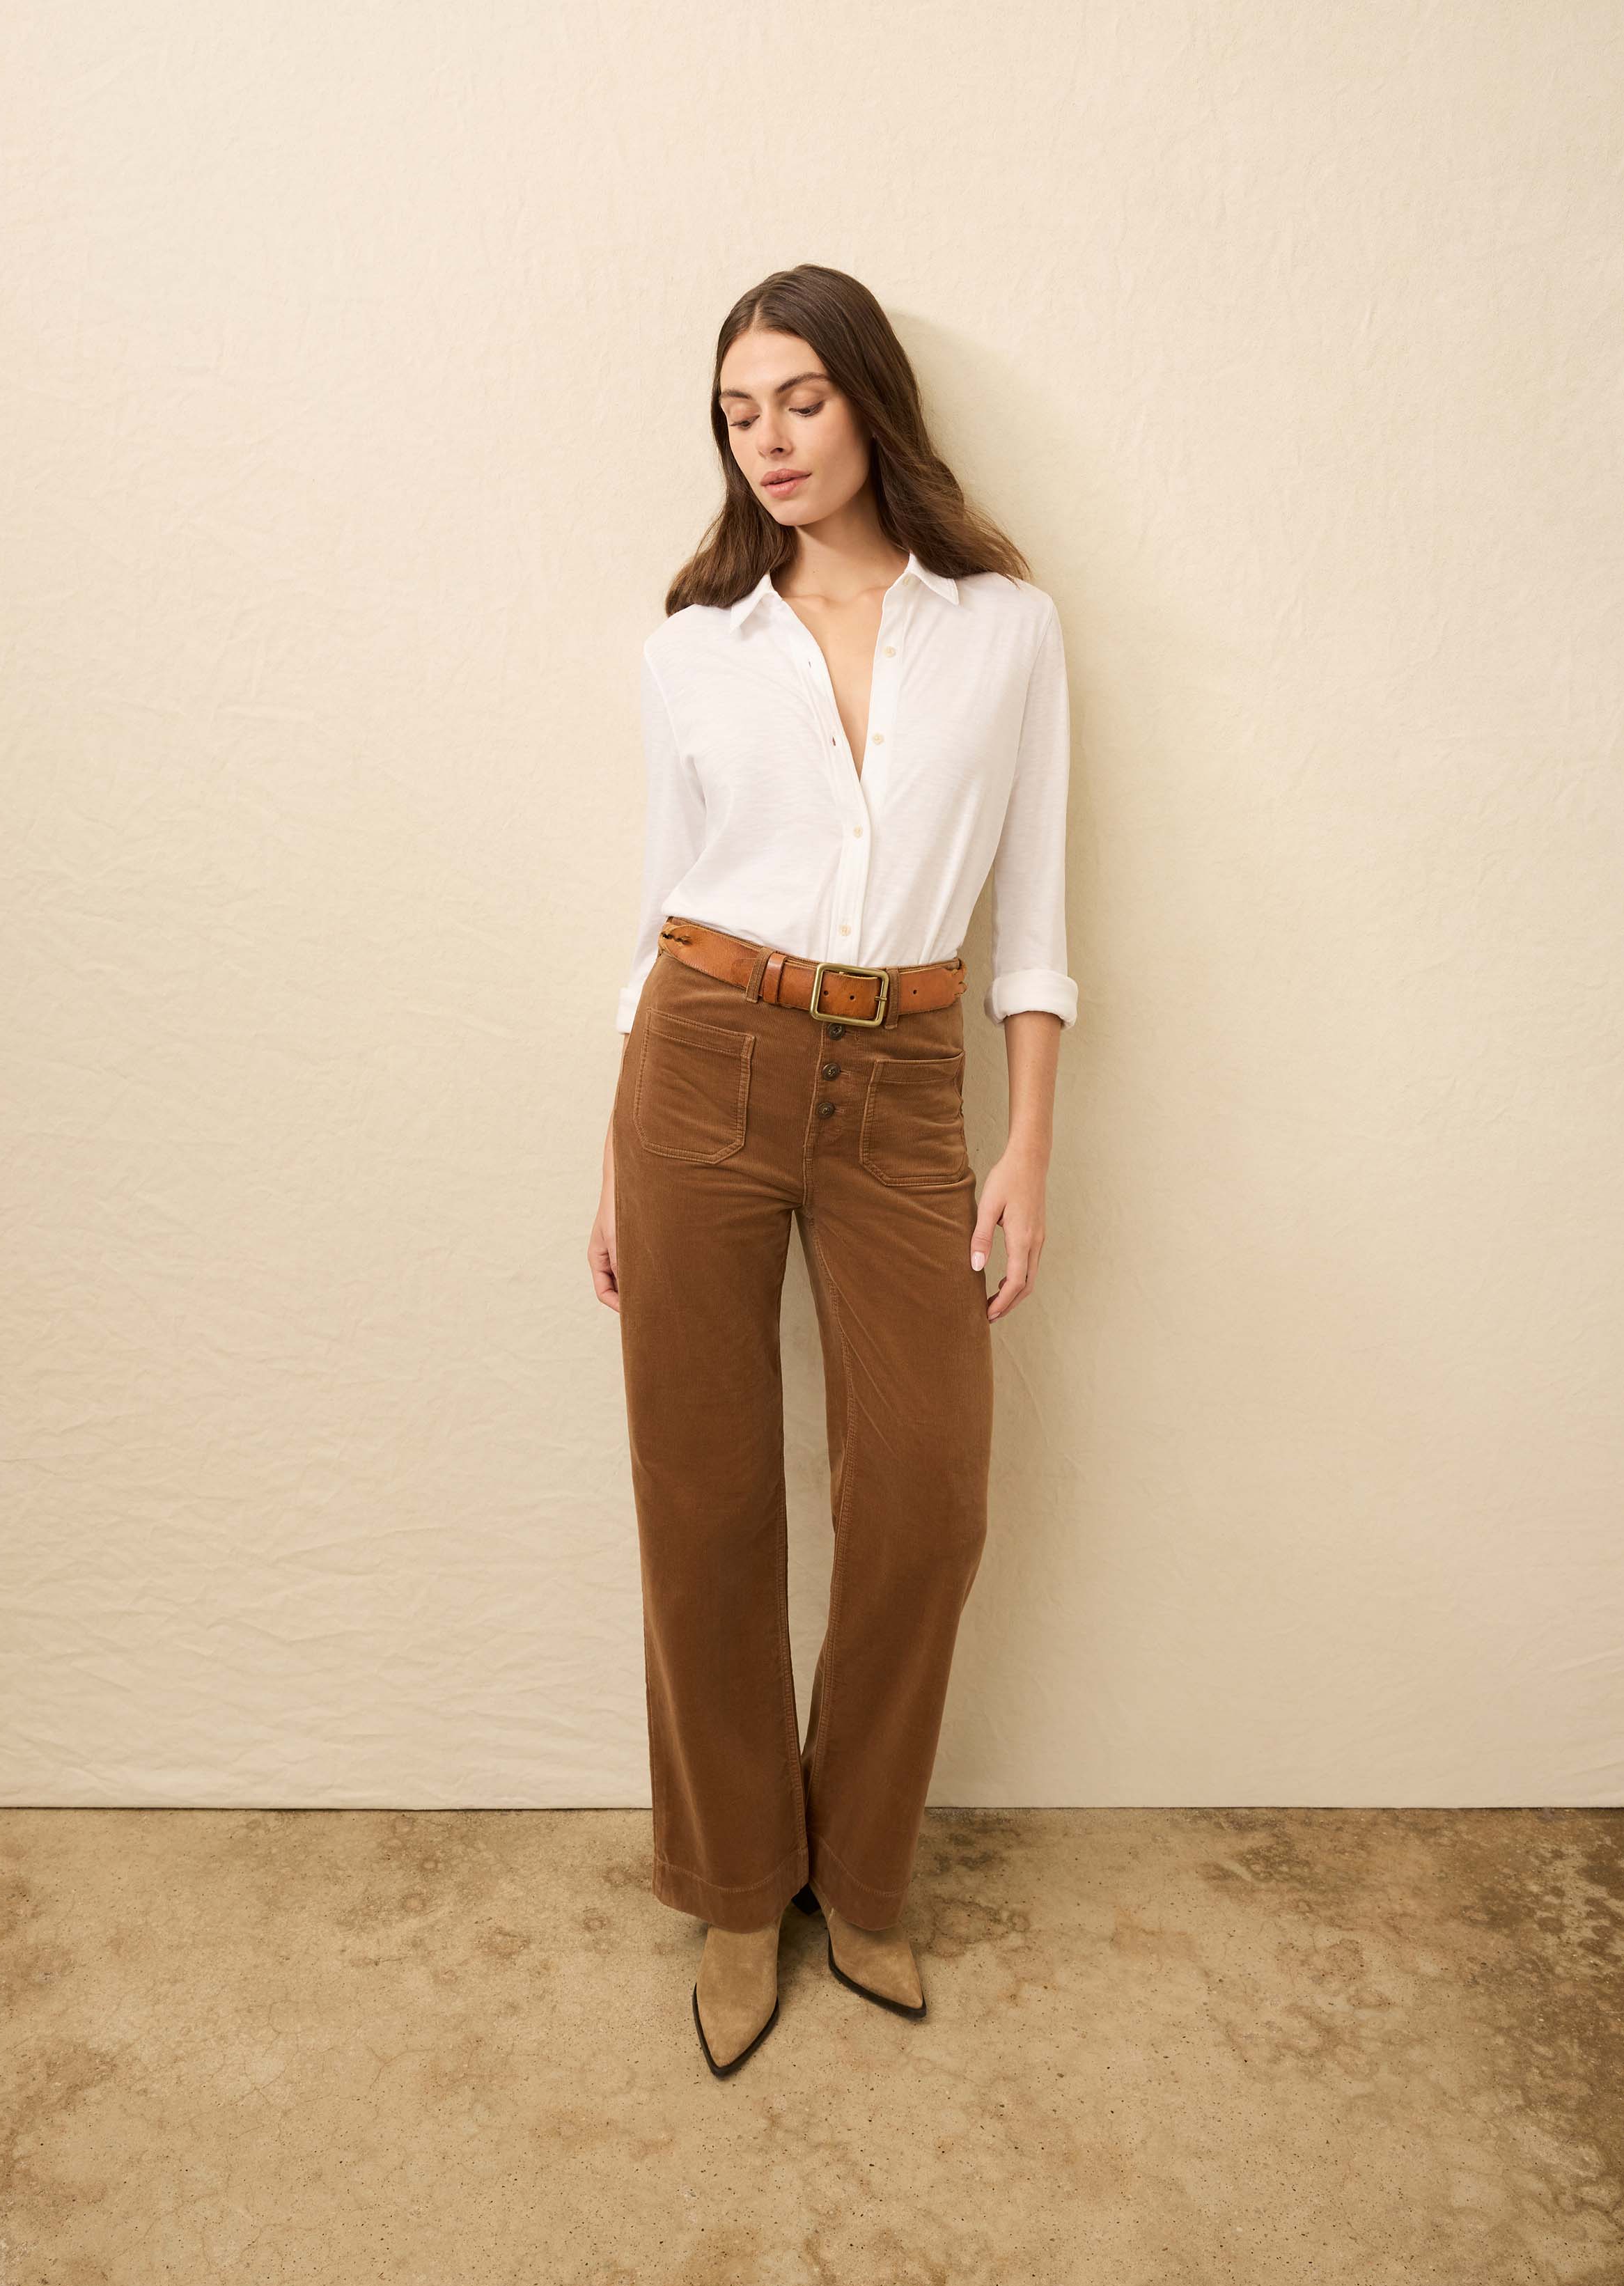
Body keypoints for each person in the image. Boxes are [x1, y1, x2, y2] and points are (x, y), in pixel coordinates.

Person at [586, 263, 1079, 2076]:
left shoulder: (1005, 629)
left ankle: (858, 1870)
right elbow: (656, 910)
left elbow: (1029, 914)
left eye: (796, 397)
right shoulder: (691, 647)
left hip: (903, 1090)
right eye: (735, 413)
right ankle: (736, 1885)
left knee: (927, 1495)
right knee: (703, 1504)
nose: (767, 440)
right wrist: (609, 1154)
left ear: (867, 401)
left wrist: (1022, 1140)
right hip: (698, 1066)